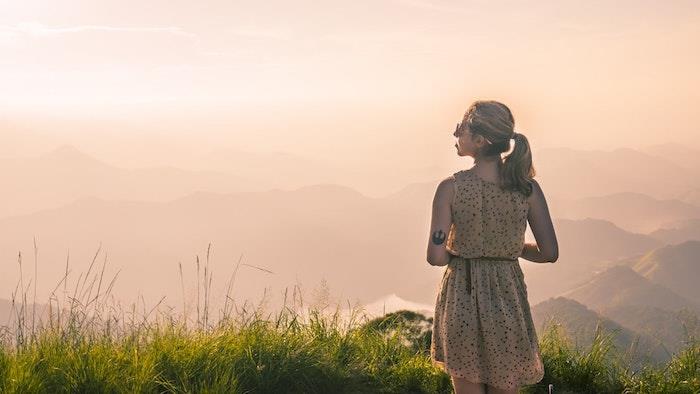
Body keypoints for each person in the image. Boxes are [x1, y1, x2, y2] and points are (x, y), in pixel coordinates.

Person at [426, 100, 558, 394]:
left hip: (462, 293)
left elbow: (435, 257)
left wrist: (462, 250)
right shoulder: (527, 189)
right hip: (506, 297)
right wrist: (511, 248)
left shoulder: (451, 188)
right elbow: (549, 253)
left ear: (479, 140)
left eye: (462, 127)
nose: (455, 132)